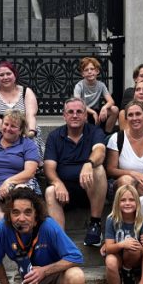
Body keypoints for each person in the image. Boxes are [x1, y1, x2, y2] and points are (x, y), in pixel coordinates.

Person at [43, 97, 108, 246]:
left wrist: (88, 163)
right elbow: (49, 167)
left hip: (90, 189)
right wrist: (57, 182)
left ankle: (95, 225)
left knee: (98, 169)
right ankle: (60, 240)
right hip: (65, 192)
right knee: (50, 191)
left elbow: (100, 151)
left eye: (79, 112)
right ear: (64, 116)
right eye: (70, 112)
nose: (75, 115)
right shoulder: (54, 136)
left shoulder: (94, 131)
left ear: (85, 115)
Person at [0, 110, 41, 225]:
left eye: (13, 126)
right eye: (6, 124)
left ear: (20, 130)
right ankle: (16, 225)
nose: (8, 128)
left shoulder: (27, 144)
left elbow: (30, 172)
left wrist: (9, 182)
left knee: (20, 194)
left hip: (21, 185)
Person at [102, 184, 143, 284]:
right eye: (123, 200)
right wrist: (123, 244)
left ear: (137, 202)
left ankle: (127, 271)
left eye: (131, 200)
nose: (127, 203)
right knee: (110, 261)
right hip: (116, 255)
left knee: (135, 246)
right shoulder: (112, 220)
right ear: (117, 202)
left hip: (134, 257)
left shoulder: (142, 222)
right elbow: (109, 248)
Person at [0, 60, 42, 155]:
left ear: (15, 75)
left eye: (8, 74)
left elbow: (31, 115)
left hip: (23, 130)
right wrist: (8, 132)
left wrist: (30, 132)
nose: (5, 77)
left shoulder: (26, 91)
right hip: (0, 130)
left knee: (32, 138)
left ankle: (36, 166)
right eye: (1, 75)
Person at [73, 56, 118, 133]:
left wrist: (104, 108)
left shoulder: (101, 85)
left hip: (97, 112)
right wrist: (92, 112)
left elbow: (111, 101)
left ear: (97, 71)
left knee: (115, 109)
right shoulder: (79, 86)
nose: (90, 72)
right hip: (85, 111)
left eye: (92, 69)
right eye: (86, 70)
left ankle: (107, 134)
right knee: (82, 112)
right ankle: (86, 135)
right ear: (82, 74)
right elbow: (78, 104)